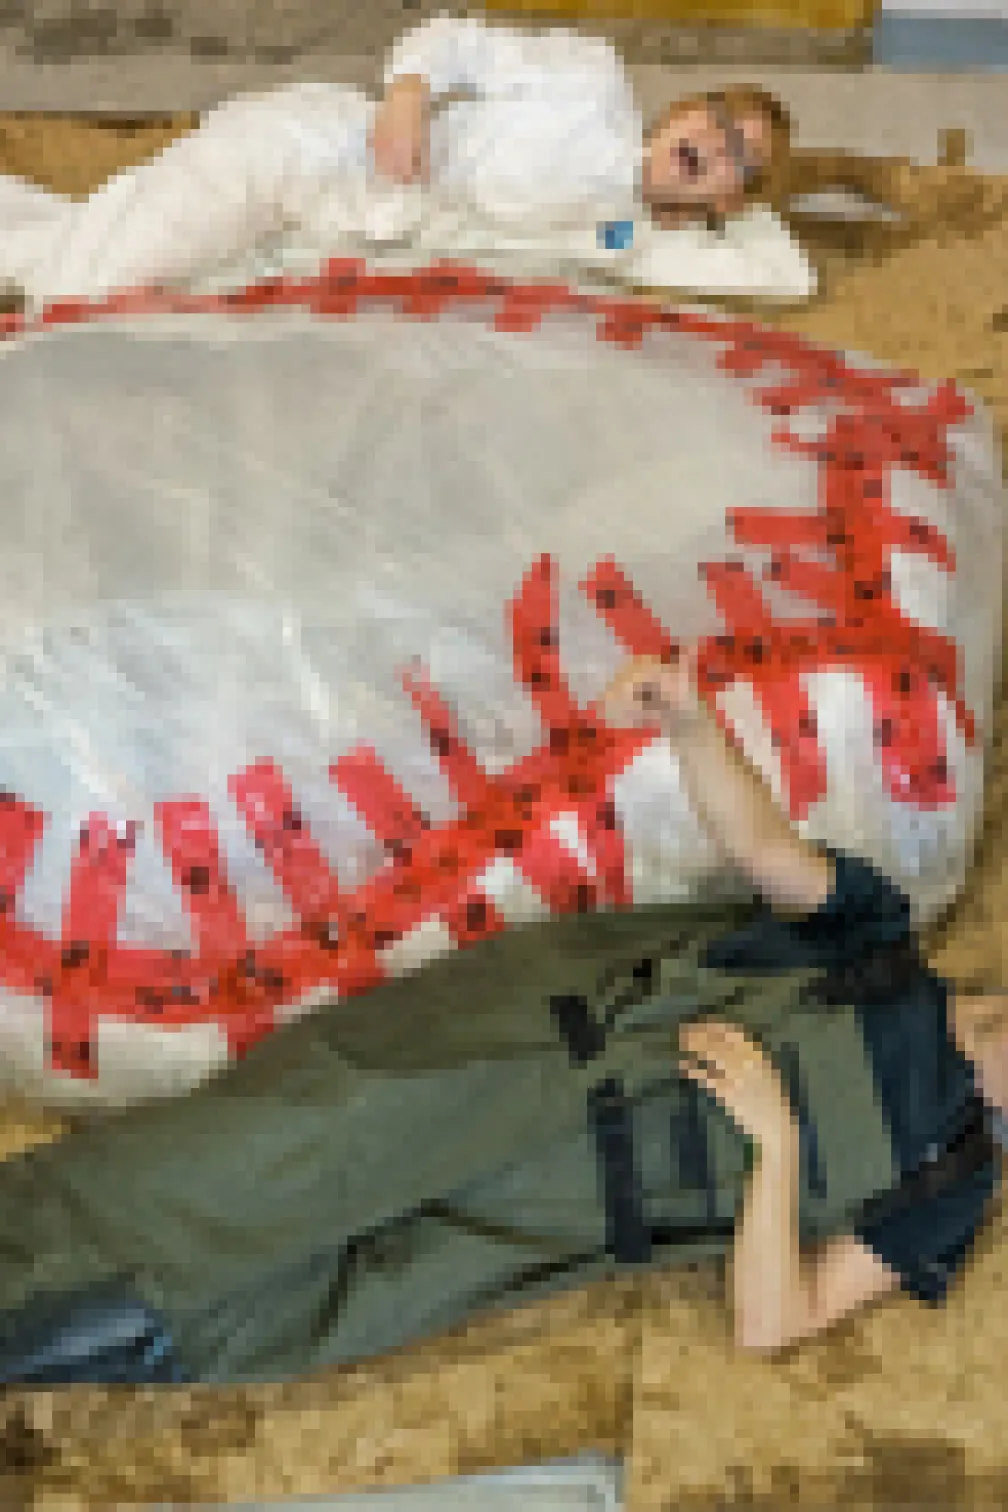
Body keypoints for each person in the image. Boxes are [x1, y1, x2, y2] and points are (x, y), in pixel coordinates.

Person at [0, 643, 1001, 1386]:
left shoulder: (952, 1178)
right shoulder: (877, 941)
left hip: (543, 1227)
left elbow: (777, 1320)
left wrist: (776, 1149)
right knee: (239, 1172)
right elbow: (767, 853)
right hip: (516, 1065)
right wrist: (692, 722)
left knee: (268, 1319)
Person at [0, 12, 793, 309]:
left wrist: (725, 215)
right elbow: (452, 37)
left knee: (88, 254)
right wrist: (407, 97)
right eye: (721, 121)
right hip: (311, 157)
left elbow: (781, 271)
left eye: (742, 161)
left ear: (728, 199)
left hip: (327, 246)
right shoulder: (591, 82)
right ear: (684, 111)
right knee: (86, 300)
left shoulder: (634, 237)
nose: (721, 144)